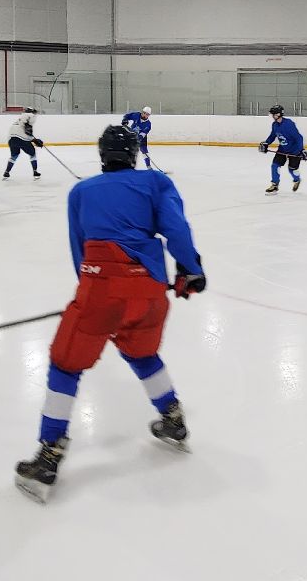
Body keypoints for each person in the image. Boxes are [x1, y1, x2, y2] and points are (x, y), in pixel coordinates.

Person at [14, 124, 205, 504]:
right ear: (134, 153)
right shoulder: (155, 182)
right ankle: (173, 419)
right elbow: (177, 229)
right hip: (151, 292)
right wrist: (191, 270)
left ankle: (49, 455)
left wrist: (90, 296)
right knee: (143, 353)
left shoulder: (80, 191)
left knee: (65, 365)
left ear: (101, 155)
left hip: (100, 290)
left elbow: (79, 250)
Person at [259, 104, 307, 194]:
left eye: (273, 114)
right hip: (282, 149)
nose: (272, 116)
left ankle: (297, 180)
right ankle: (274, 185)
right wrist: (266, 143)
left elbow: (299, 138)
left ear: (278, 114)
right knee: (275, 165)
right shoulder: (275, 125)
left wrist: (301, 150)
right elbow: (273, 136)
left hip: (294, 150)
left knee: (292, 169)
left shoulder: (289, 124)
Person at [3, 108, 43, 180]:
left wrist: (33, 139)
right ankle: (35, 171)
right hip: (21, 139)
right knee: (32, 154)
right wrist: (35, 140)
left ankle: (7, 172)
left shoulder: (17, 121)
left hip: (11, 139)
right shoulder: (31, 116)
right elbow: (26, 133)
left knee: (14, 156)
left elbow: (24, 131)